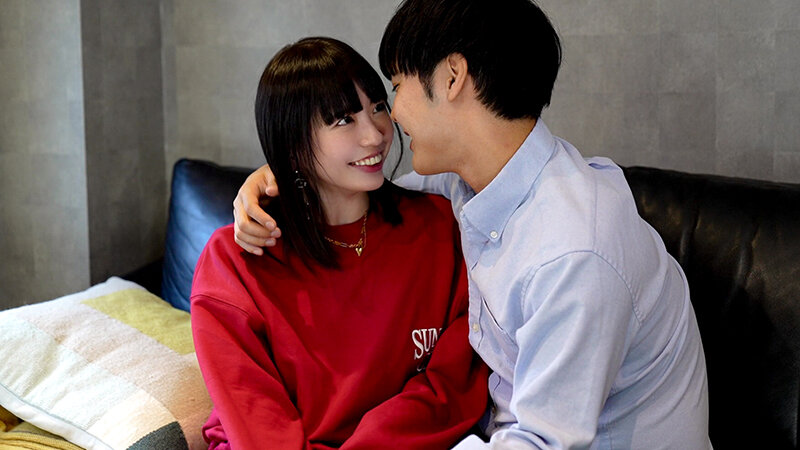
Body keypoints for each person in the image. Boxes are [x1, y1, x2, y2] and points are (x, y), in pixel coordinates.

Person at [232, 1, 711, 448]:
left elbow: (541, 442)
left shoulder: (573, 252)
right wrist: (276, 178)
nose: (390, 118)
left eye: (396, 88)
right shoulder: (472, 182)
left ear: (452, 77)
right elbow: (364, 194)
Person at [190, 36, 488, 450]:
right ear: (293, 144)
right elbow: (254, 417)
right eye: (344, 120)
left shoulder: (440, 228)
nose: (375, 135)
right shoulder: (236, 262)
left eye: (378, 107)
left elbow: (452, 387)